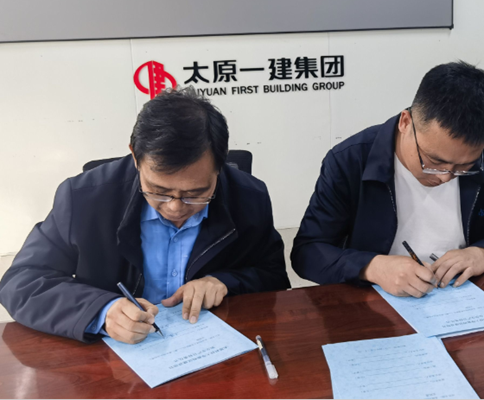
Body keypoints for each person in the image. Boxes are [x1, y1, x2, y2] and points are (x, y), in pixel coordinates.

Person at [0, 87, 290, 344]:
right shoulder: (83, 198)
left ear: (220, 165)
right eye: (158, 191)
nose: (175, 207)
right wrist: (102, 310)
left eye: (195, 194)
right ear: (135, 157)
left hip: (210, 346)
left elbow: (273, 275)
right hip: (114, 356)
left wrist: (224, 282)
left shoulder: (249, 197)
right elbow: (22, 283)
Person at [291, 61, 484, 298]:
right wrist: (372, 267)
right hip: (376, 302)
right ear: (405, 122)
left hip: (465, 298)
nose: (445, 176)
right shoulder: (351, 160)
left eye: (464, 167)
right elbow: (308, 252)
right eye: (434, 161)